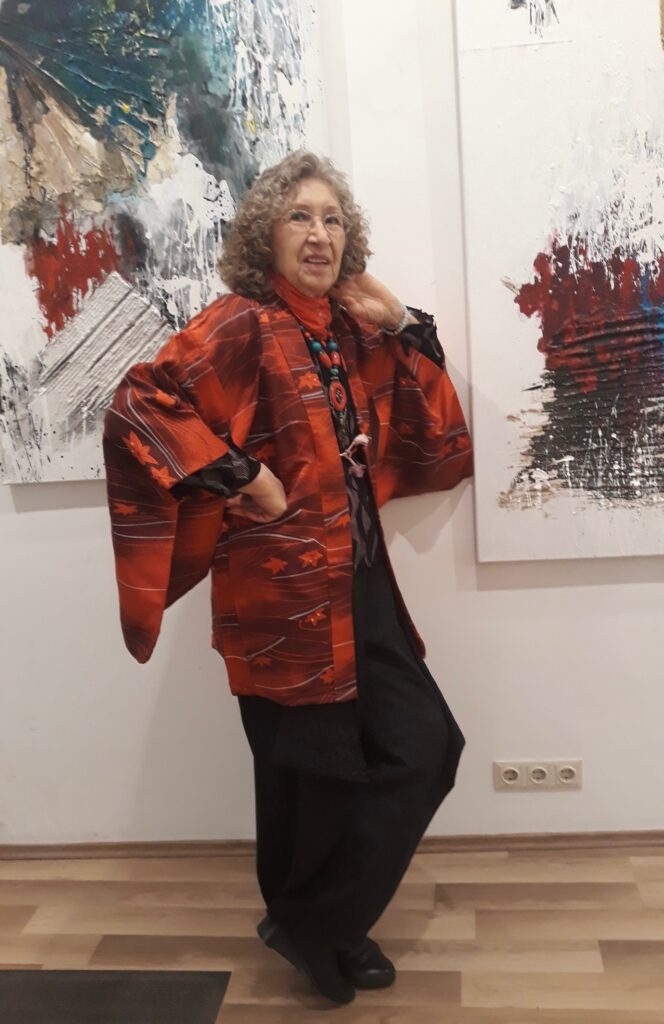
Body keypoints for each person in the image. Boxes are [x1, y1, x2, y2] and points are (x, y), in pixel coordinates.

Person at [103, 151, 473, 1005]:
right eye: (299, 216)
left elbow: (428, 410)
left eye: (333, 218)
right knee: (308, 775)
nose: (319, 233)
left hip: (360, 582)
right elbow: (138, 405)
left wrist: (400, 317)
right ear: (265, 234)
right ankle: (331, 927)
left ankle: (315, 921)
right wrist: (242, 474)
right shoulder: (241, 322)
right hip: (279, 594)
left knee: (425, 747)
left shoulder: (346, 326)